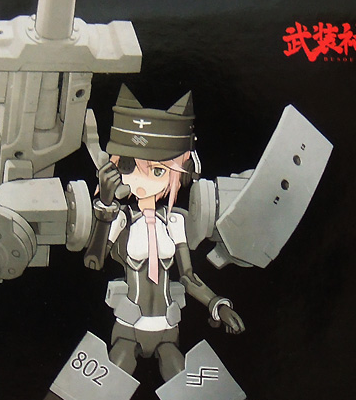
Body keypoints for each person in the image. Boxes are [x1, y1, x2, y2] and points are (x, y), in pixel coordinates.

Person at [84, 85, 244, 382]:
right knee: (110, 381)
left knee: (185, 382)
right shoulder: (121, 219)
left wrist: (217, 304)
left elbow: (188, 277)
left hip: (168, 328)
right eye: (130, 166)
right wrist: (105, 206)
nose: (142, 179)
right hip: (129, 325)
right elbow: (94, 260)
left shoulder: (175, 222)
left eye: (158, 171)